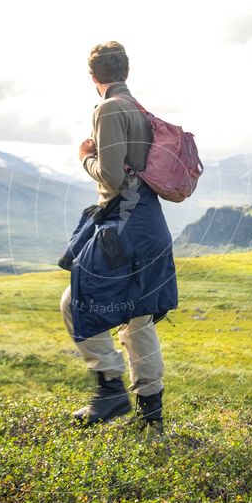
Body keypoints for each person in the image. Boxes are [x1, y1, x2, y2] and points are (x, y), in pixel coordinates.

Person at [59, 41, 178, 433]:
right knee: (138, 318)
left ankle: (110, 390)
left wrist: (85, 158)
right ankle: (152, 416)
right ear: (125, 71)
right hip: (150, 223)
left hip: (123, 225)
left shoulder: (109, 108)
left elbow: (111, 177)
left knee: (75, 301)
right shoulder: (140, 110)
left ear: (93, 77)